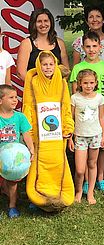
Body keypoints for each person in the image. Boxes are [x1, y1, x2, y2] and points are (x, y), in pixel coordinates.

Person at [23, 51, 75, 211]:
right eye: (44, 64)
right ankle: (38, 197)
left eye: (51, 64)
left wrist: (68, 127)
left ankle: (57, 195)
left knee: (57, 161)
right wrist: (29, 131)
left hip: (57, 135)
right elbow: (28, 107)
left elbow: (66, 107)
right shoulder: (32, 81)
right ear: (39, 65)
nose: (48, 68)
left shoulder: (62, 82)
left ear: (55, 64)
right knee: (38, 163)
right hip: (39, 134)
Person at [70, 31, 104, 193]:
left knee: (101, 147)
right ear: (83, 48)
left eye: (94, 46)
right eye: (88, 46)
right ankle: (84, 182)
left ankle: (100, 177)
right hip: (83, 118)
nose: (91, 50)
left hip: (103, 114)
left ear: (100, 47)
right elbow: (74, 95)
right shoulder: (78, 68)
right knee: (84, 149)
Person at [69, 69, 104, 205]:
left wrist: (103, 136)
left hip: (95, 135)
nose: (88, 86)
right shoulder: (75, 98)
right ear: (79, 83)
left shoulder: (99, 98)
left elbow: (101, 117)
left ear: (96, 83)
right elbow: (70, 119)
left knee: (92, 163)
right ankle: (78, 191)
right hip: (80, 136)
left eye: (91, 83)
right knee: (79, 169)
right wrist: (69, 138)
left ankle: (90, 192)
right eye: (85, 83)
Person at [0, 85, 34, 218]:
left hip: (14, 158)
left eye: (16, 97)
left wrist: (31, 148)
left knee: (12, 181)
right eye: (11, 97)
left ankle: (12, 206)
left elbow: (26, 134)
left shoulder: (20, 117)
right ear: (1, 100)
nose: (15, 100)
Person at [16, 8, 69, 81]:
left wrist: (57, 85)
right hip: (34, 89)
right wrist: (38, 87)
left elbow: (66, 71)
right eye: (39, 21)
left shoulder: (60, 43)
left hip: (56, 89)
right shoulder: (26, 43)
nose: (43, 24)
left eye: (46, 21)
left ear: (51, 22)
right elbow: (20, 73)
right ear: (34, 24)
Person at [72, 5, 104, 74]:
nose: (94, 20)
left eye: (98, 16)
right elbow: (75, 69)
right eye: (91, 17)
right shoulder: (79, 42)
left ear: (103, 20)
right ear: (87, 21)